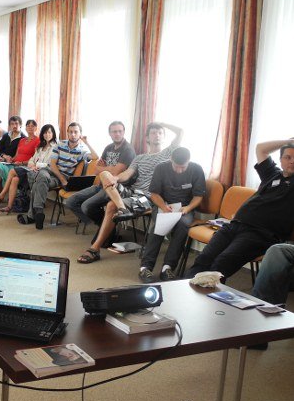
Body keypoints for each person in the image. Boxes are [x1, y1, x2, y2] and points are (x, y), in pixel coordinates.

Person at [77, 121, 184, 264]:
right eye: (153, 133)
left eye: (160, 133)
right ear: (147, 138)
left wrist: (161, 123)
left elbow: (180, 131)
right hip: (132, 191)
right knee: (105, 174)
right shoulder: (140, 158)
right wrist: (115, 178)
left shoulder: (168, 153)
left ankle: (94, 249)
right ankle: (122, 208)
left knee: (111, 206)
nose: (157, 135)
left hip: (148, 197)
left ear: (163, 136)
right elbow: (127, 174)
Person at [187, 139, 294, 279]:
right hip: (234, 225)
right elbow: (261, 148)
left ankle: (205, 291)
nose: (293, 161)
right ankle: (185, 289)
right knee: (204, 258)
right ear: (280, 160)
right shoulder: (272, 174)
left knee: (221, 264)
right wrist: (289, 141)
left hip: (261, 234)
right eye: (288, 157)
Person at [138, 147, 205, 283]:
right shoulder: (161, 168)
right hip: (163, 205)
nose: (179, 170)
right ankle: (145, 267)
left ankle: (167, 268)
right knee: (159, 225)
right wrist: (163, 207)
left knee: (183, 225)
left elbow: (198, 196)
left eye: (183, 167)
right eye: (176, 167)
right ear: (171, 160)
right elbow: (154, 194)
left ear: (189, 161)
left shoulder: (196, 169)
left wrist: (188, 208)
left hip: (185, 208)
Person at [20, 122, 97, 229]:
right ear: (67, 133)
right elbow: (52, 164)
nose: (73, 134)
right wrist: (62, 180)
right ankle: (38, 211)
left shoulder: (82, 150)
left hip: (62, 178)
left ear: (80, 134)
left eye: (76, 132)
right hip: (51, 172)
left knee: (38, 183)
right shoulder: (60, 145)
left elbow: (95, 157)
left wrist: (86, 142)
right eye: (70, 132)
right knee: (42, 174)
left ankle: (36, 213)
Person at [65, 121, 136, 227]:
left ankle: (106, 229)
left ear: (124, 132)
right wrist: (108, 168)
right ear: (110, 133)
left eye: (120, 131)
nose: (117, 134)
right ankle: (101, 225)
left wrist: (104, 168)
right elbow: (96, 170)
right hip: (101, 185)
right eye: (114, 131)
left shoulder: (128, 149)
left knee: (86, 206)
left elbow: (115, 173)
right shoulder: (109, 147)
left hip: (115, 188)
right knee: (71, 201)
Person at [0, 124, 57, 214]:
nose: (47, 135)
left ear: (53, 134)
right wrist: (32, 165)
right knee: (15, 179)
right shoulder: (41, 146)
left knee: (12, 171)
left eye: (49, 132)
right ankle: (9, 207)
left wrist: (36, 165)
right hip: (32, 169)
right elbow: (32, 159)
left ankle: (1, 196)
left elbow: (49, 164)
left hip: (42, 172)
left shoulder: (55, 147)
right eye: (45, 133)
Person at [0, 119, 39, 205]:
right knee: (0, 165)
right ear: (25, 127)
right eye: (28, 126)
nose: (30, 127)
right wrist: (9, 159)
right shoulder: (22, 140)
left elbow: (35, 159)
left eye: (32, 126)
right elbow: (16, 155)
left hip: (25, 166)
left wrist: (22, 163)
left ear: (36, 128)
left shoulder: (38, 140)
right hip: (15, 163)